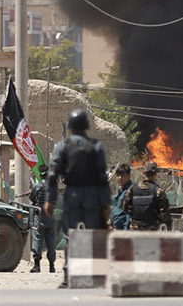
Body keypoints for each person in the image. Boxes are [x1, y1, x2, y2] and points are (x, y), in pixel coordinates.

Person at [44, 108, 111, 289]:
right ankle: (96, 276)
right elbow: (102, 177)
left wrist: (49, 199)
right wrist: (106, 203)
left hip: (72, 193)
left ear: (71, 126)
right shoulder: (95, 146)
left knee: (70, 236)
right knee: (94, 235)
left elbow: (52, 174)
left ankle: (68, 277)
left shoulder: (63, 146)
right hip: (92, 195)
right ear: (86, 126)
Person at [122, 161, 172, 230]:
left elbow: (124, 208)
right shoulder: (158, 191)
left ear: (144, 173)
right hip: (152, 230)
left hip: (135, 230)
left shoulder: (133, 189)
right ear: (156, 173)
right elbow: (165, 214)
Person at [29, 164, 56, 273]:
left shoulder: (37, 186)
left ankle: (37, 266)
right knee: (51, 242)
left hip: (39, 217)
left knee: (37, 239)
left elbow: (32, 198)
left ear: (40, 174)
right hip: (50, 216)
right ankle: (51, 266)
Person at [111, 164, 132, 230]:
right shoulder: (120, 190)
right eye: (118, 175)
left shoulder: (130, 190)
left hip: (124, 230)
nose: (120, 177)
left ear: (128, 176)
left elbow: (129, 214)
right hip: (117, 228)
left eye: (122, 175)